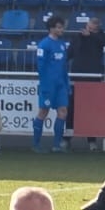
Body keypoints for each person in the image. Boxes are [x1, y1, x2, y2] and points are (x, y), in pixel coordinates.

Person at [33, 16, 70, 153]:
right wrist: (45, 84)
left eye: (62, 27)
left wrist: (66, 83)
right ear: (51, 28)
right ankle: (36, 144)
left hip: (61, 84)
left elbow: (64, 66)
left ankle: (56, 145)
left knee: (63, 111)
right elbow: (41, 66)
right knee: (44, 111)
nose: (61, 30)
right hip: (48, 85)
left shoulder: (62, 44)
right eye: (59, 27)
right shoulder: (44, 45)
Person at [69, 16, 105, 146]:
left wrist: (90, 36)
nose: (90, 29)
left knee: (91, 109)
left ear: (97, 28)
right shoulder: (77, 37)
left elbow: (101, 43)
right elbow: (70, 52)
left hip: (92, 77)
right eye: (89, 27)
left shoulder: (100, 37)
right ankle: (67, 138)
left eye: (93, 28)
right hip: (77, 76)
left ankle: (92, 140)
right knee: (72, 107)